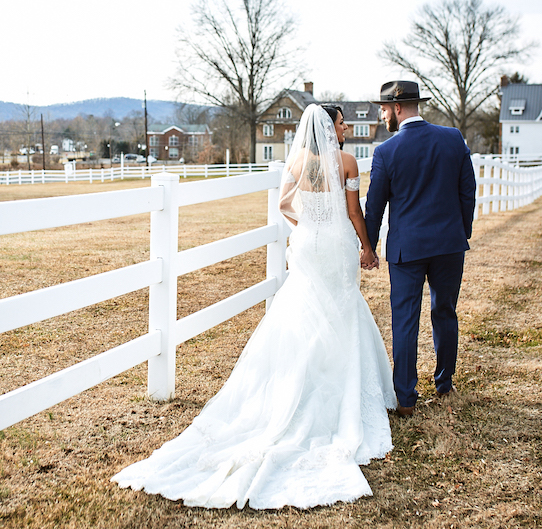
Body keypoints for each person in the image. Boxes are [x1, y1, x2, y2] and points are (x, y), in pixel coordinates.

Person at [112, 104, 396, 510]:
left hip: (307, 246)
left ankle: (303, 377)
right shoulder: (346, 161)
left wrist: (306, 227)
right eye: (341, 122)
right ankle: (334, 382)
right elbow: (353, 212)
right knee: (340, 310)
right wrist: (367, 247)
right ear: (330, 129)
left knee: (304, 312)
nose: (346, 127)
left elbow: (284, 206)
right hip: (335, 245)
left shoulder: (296, 161)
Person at [363, 81, 477, 417]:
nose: (383, 114)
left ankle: (406, 399)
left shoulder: (386, 151)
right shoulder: (452, 138)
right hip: (448, 245)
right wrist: (461, 232)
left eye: (383, 108)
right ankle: (444, 383)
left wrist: (369, 247)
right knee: (445, 311)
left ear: (397, 108)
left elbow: (375, 206)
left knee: (405, 319)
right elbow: (467, 192)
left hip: (406, 250)